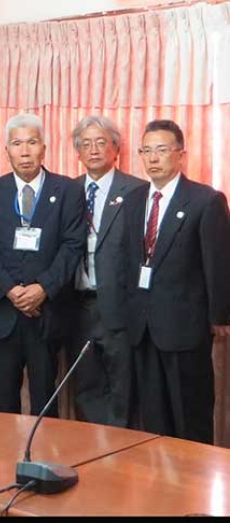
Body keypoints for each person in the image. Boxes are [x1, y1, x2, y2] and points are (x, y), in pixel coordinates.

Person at [124, 119, 230, 444]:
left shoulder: (205, 200)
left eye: (161, 150)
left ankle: (195, 492)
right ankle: (161, 489)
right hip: (142, 329)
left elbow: (218, 263)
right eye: (146, 151)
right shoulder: (132, 199)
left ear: (180, 154)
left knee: (190, 421)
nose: (153, 158)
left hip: (185, 328)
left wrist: (219, 318)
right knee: (154, 426)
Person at [0, 113, 85, 416]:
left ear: (44, 148)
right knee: (3, 403)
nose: (25, 151)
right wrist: (12, 290)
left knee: (45, 402)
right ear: (7, 149)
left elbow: (73, 246)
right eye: (17, 143)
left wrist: (43, 289)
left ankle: (44, 460)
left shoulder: (68, 191)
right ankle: (3, 461)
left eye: (32, 142)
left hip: (47, 314)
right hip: (3, 313)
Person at [66, 116, 144, 428]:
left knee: (122, 389)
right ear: (78, 152)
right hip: (77, 307)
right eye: (86, 144)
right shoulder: (67, 190)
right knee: (85, 387)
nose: (94, 150)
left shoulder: (137, 191)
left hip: (119, 308)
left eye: (101, 142)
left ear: (116, 148)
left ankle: (122, 461)